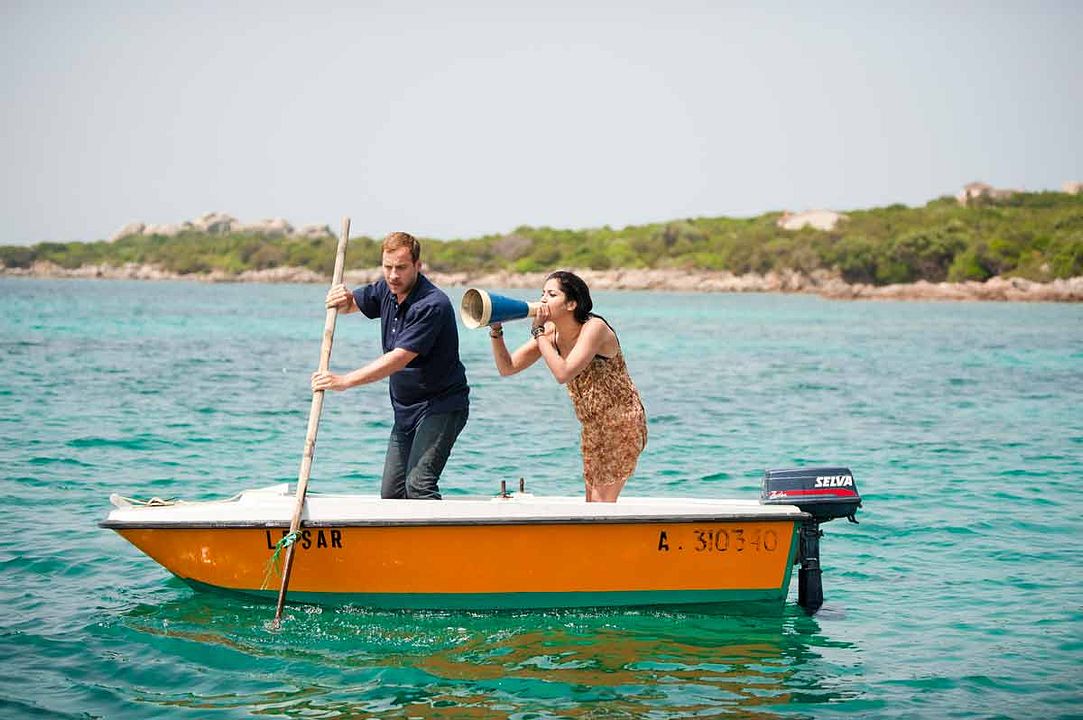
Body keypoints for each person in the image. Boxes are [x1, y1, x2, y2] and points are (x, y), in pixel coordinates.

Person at [312, 231, 468, 500]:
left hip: (441, 407)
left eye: (401, 268)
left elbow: (399, 358)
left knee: (418, 486)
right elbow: (353, 305)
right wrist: (341, 300)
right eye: (388, 267)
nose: (393, 275)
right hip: (405, 409)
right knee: (391, 495)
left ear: (418, 266)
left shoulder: (432, 304)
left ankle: (436, 542)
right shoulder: (387, 288)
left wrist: (344, 381)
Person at [488, 270, 647, 502]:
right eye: (542, 293)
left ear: (571, 304)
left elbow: (563, 373)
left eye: (552, 294)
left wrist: (538, 332)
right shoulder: (550, 334)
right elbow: (508, 367)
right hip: (592, 425)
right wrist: (496, 330)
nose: (543, 300)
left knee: (601, 504)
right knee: (591, 503)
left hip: (621, 421)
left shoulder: (594, 328)